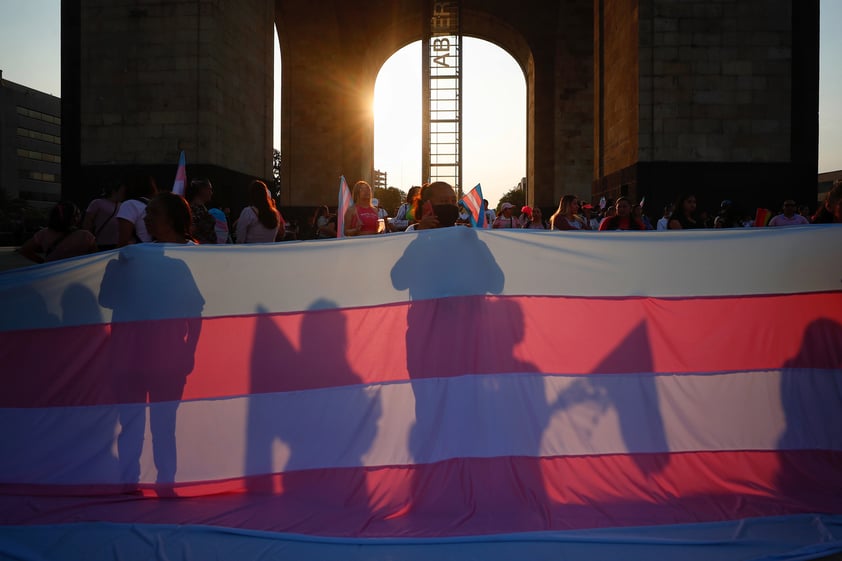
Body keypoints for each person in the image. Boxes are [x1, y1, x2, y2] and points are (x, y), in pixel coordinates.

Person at [18, 200, 97, 263]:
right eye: (79, 214)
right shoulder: (86, 236)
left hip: (52, 274)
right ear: (75, 218)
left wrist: (43, 263)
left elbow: (24, 250)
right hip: (78, 274)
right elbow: (95, 257)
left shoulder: (43, 233)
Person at [82, 182, 126, 250]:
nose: (124, 194)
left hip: (117, 244)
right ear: (114, 191)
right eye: (122, 191)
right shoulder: (97, 203)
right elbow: (87, 223)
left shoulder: (123, 205)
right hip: (100, 244)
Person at [117, 174, 158, 246]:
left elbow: (123, 242)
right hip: (157, 250)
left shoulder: (129, 205)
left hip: (139, 252)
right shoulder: (156, 204)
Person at [185, 178, 217, 244]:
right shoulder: (194, 209)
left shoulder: (201, 208)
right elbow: (191, 230)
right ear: (202, 190)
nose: (211, 192)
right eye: (210, 189)